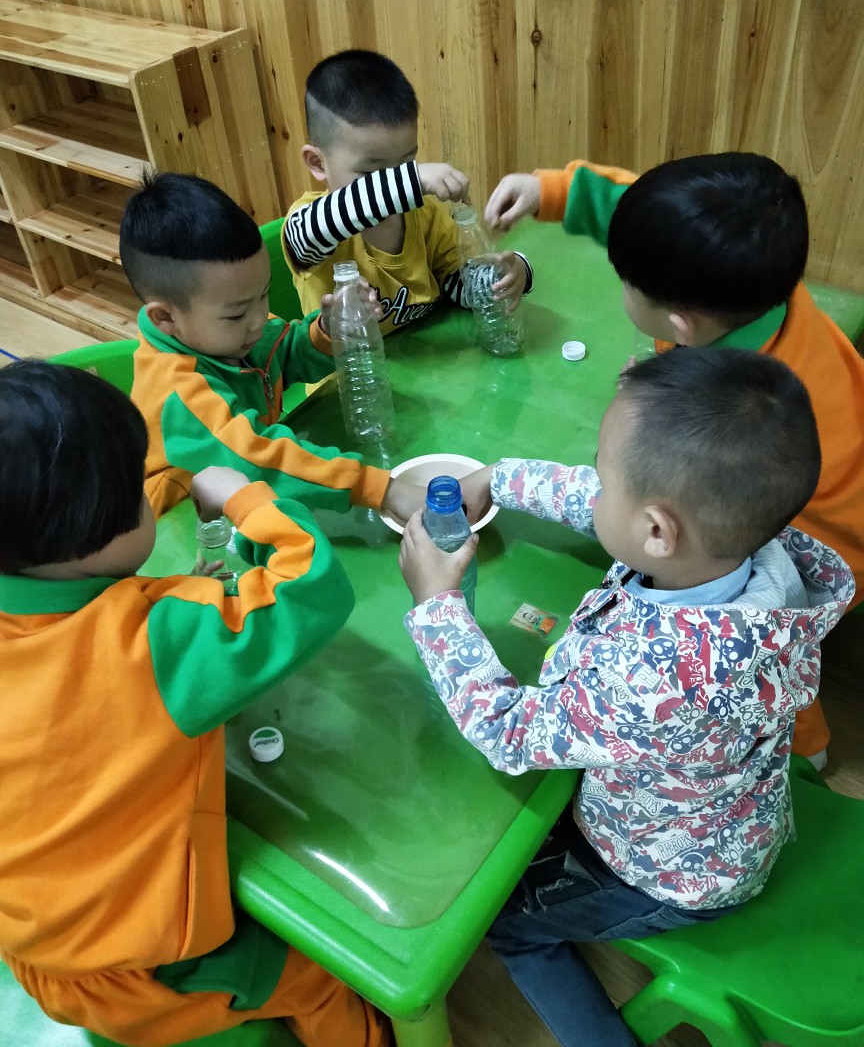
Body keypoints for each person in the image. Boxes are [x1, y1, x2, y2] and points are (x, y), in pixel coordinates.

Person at [398, 347, 854, 1047]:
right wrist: (499, 479)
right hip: (723, 815)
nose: (594, 491)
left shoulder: (661, 678)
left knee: (503, 923)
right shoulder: (741, 552)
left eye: (604, 480)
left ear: (656, 531)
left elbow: (509, 731)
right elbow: (617, 509)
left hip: (667, 873)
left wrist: (436, 604)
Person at [0, 360, 389, 1047]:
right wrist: (246, 500)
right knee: (323, 978)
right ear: (101, 529)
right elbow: (311, 586)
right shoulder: (155, 642)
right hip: (135, 966)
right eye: (139, 495)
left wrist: (175, 589)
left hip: (32, 932)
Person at [484, 151, 864, 764]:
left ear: (681, 326)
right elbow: (658, 216)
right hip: (808, 474)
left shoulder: (739, 425)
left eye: (626, 281)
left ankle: (806, 749)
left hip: (829, 533)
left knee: (771, 640)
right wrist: (552, 190)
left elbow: (514, 733)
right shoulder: (748, 281)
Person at [122, 170, 417, 523]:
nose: (259, 319)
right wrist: (383, 489)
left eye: (263, 295)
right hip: (183, 529)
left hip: (242, 501)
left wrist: (327, 332)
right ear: (165, 318)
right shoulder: (179, 394)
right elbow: (257, 458)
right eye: (236, 313)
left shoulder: (227, 334)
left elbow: (285, 352)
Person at [283, 49, 533, 333]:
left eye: (406, 163)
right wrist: (409, 179)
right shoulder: (310, 224)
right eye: (373, 172)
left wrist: (508, 277)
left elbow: (458, 284)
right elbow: (313, 231)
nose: (396, 182)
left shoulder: (425, 215)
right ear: (318, 163)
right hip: (347, 361)